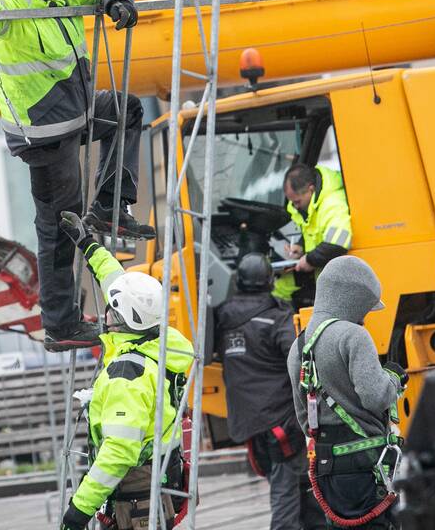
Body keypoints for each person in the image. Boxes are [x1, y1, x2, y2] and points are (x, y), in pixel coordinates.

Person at [0, 0, 155, 352]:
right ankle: (61, 324)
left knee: (127, 109)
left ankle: (109, 205)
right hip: (43, 135)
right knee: (60, 229)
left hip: (78, 114)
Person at [57, 211, 194, 530]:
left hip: (134, 496)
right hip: (157, 480)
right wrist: (88, 246)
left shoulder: (128, 373)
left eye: (111, 308)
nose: (104, 312)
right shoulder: (162, 342)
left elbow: (118, 452)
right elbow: (117, 283)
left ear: (123, 318)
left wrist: (79, 509)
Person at [286, 255, 406, 530]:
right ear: (352, 299)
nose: (364, 316)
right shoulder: (352, 336)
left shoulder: (299, 345)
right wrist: (394, 378)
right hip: (367, 466)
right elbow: (375, 397)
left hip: (327, 469)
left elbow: (305, 419)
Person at [214, 253, 325, 530]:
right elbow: (298, 359)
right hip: (280, 421)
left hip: (248, 422)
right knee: (287, 491)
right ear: (269, 280)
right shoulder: (276, 317)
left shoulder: (222, 318)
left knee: (296, 485)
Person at [274, 164, 353, 310]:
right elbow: (315, 231)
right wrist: (300, 247)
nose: (295, 207)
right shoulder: (314, 202)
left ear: (311, 189)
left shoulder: (332, 204)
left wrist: (309, 259)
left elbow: (338, 243)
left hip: (342, 285)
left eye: (297, 202)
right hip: (327, 281)